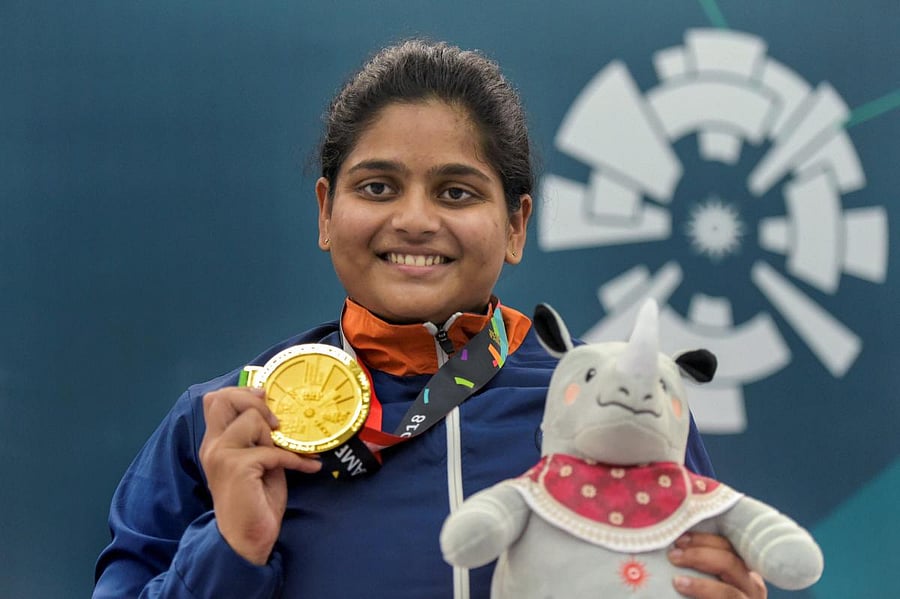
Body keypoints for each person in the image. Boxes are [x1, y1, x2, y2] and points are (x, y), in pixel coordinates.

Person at [93, 39, 767, 599]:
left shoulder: (617, 410)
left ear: (515, 225)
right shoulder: (231, 422)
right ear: (327, 211)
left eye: (456, 191)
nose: (414, 219)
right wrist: (231, 549)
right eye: (377, 186)